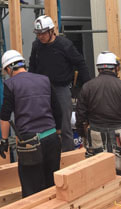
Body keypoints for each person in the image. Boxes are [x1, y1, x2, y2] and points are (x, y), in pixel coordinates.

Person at [75, 51, 121, 202]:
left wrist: (83, 135)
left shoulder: (87, 88)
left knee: (99, 178)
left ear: (99, 68)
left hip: (96, 135)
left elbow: (80, 117)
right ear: (116, 68)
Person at [0, 49, 62, 197]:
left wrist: (4, 140)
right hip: (51, 138)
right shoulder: (44, 79)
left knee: (32, 190)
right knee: (52, 187)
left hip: (30, 144)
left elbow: (5, 116)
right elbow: (57, 109)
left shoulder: (10, 84)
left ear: (8, 69)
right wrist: (58, 133)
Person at [29, 15, 91, 152]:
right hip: (42, 89)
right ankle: (48, 154)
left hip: (61, 88)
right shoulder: (36, 46)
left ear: (51, 31)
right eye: (38, 34)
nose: (40, 36)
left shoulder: (64, 45)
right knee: (43, 124)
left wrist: (87, 85)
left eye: (43, 33)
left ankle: (68, 155)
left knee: (64, 125)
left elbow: (80, 62)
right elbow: (32, 66)